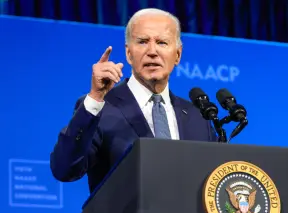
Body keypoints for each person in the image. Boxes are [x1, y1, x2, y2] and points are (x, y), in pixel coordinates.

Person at [50, 8, 217, 193]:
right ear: (129, 54)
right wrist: (95, 98)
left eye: (162, 42)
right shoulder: (101, 107)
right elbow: (64, 169)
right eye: (143, 42)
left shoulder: (198, 118)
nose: (152, 51)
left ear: (177, 55)